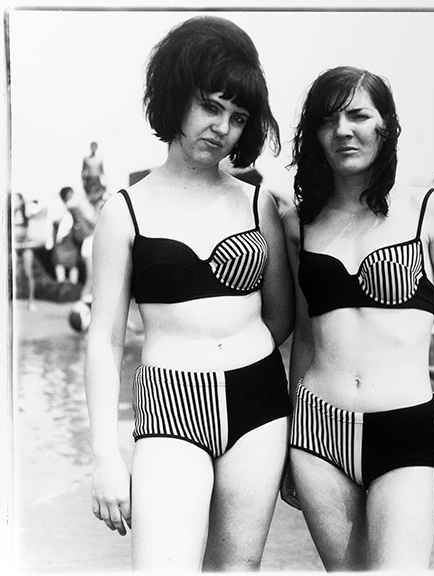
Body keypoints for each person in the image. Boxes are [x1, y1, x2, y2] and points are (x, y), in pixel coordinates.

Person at [85, 16, 293, 571]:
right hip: (168, 407)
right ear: (177, 98)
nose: (222, 127)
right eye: (211, 106)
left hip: (260, 403)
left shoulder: (257, 204)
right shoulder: (125, 210)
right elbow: (104, 341)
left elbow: (280, 317)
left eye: (238, 116)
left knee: (235, 569)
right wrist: (106, 454)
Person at [282, 66, 434, 570]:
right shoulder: (299, 225)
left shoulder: (428, 210)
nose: (343, 130)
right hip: (316, 433)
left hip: (404, 428)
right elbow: (305, 340)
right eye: (329, 120)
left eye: (358, 115)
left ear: (386, 125)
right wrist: (286, 443)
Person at [46, 186, 81, 286]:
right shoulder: (57, 205)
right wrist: (66, 210)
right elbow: (54, 220)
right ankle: (61, 286)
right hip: (60, 239)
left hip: (71, 238)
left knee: (73, 263)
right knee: (59, 262)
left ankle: (73, 287)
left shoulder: (75, 206)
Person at [13, 192, 37, 310]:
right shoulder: (8, 213)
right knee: (14, 274)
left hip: (25, 245)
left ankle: (31, 301)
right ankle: (13, 300)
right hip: (14, 246)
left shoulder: (25, 211)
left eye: (17, 200)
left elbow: (36, 206)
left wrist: (25, 202)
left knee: (28, 273)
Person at [82, 141, 107, 207]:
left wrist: (105, 183)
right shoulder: (86, 159)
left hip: (97, 181)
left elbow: (102, 172)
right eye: (92, 146)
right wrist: (84, 183)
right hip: (89, 181)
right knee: (90, 200)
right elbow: (83, 172)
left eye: (95, 146)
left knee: (98, 199)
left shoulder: (99, 160)